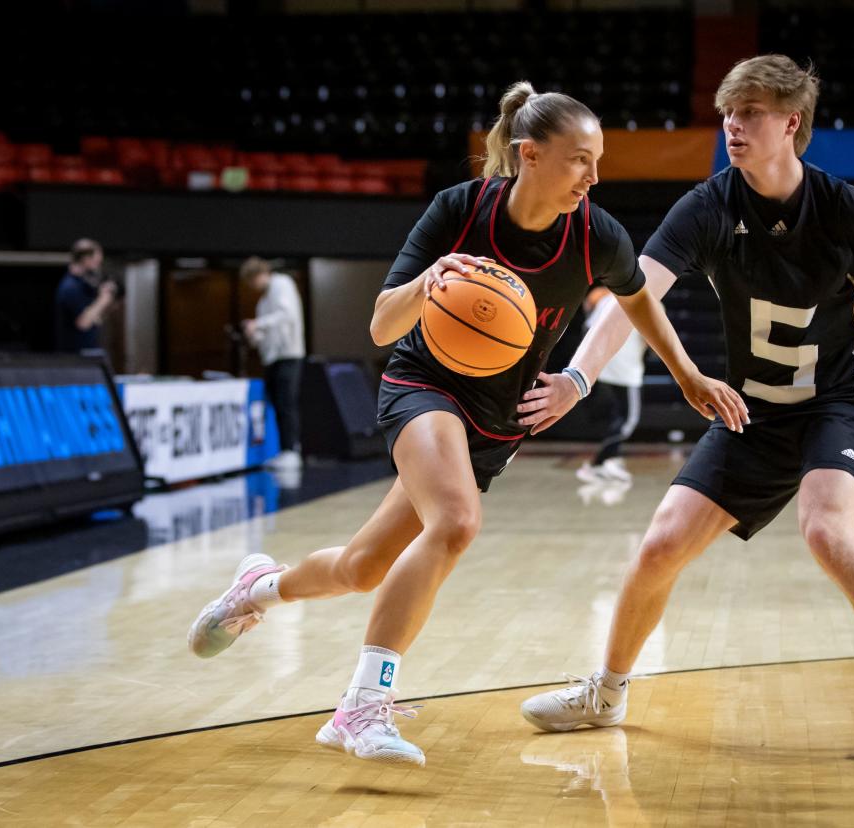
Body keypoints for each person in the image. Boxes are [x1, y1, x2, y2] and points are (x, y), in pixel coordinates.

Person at [188, 82, 745, 767]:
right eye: (579, 160)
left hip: (496, 424)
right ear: (529, 155)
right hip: (423, 386)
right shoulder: (461, 209)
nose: (594, 177)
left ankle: (260, 589)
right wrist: (430, 282)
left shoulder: (597, 233)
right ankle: (361, 706)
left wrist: (673, 375)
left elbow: (638, 302)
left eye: (598, 161)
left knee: (364, 568)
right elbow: (382, 323)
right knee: (456, 522)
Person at [518, 55, 854, 760]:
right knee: (661, 544)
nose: (734, 125)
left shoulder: (846, 211)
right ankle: (606, 692)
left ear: (792, 122)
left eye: (752, 112)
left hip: (834, 399)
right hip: (751, 409)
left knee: (827, 532)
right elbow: (632, 297)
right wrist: (577, 379)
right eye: (730, 112)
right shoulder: (707, 206)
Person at [575, 285, 647, 484]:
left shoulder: (605, 300)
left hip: (606, 362)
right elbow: (651, 338)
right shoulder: (646, 299)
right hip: (626, 366)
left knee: (616, 415)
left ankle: (610, 461)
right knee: (628, 420)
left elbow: (587, 329)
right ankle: (598, 463)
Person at [241, 257, 306, 471]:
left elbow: (286, 315)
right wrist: (255, 334)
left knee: (286, 403)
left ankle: (292, 450)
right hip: (272, 358)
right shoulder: (263, 301)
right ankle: (283, 450)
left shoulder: (281, 284)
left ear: (259, 274)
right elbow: (267, 331)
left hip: (288, 354)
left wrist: (258, 324)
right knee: (276, 403)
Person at [54, 238, 116, 353]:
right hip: (76, 357)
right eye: (96, 262)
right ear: (86, 259)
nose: (97, 266)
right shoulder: (70, 287)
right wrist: (103, 299)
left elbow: (95, 319)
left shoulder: (83, 285)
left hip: (87, 353)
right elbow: (83, 323)